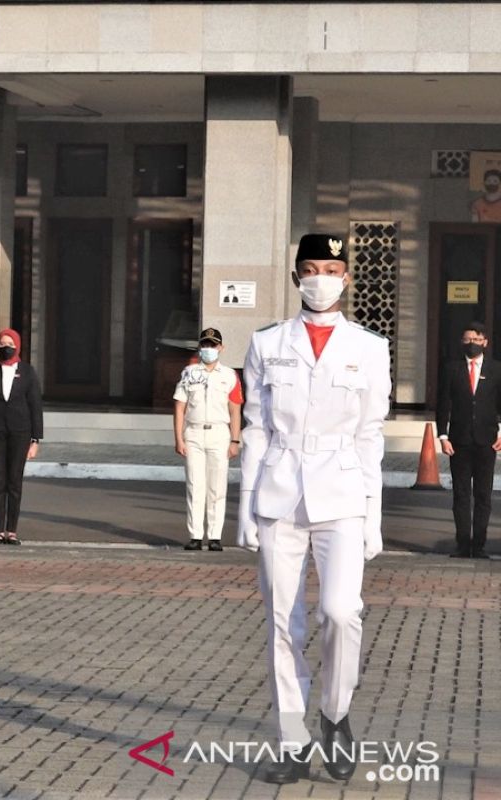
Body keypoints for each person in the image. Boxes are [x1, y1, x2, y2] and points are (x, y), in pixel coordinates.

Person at [238, 233, 391, 785]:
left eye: (331, 268)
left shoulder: (370, 347)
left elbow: (371, 434)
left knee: (340, 611)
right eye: (311, 268)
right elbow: (255, 428)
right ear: (296, 275)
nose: (320, 278)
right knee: (282, 623)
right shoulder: (267, 342)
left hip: (344, 495)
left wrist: (374, 517)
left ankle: (335, 713)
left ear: (346, 277)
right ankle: (294, 740)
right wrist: (245, 511)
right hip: (279, 494)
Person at [173, 327, 243, 551]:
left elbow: (235, 410)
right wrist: (179, 438)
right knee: (195, 484)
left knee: (217, 486)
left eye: (212, 345)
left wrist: (235, 440)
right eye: (204, 345)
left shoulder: (229, 375)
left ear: (221, 348)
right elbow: (179, 407)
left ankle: (214, 536)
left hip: (219, 433)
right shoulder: (189, 372)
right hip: (193, 432)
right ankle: (195, 535)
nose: (208, 349)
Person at [436, 321, 501, 559]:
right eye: (467, 340)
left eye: (475, 340)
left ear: (485, 342)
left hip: (487, 441)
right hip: (459, 441)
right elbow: (443, 404)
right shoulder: (452, 369)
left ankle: (480, 546)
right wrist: (442, 435)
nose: (471, 344)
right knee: (461, 495)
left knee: (483, 495)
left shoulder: (496, 370)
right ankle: (463, 545)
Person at [0, 328, 44, 545]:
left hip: (20, 433)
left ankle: (11, 530)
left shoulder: (28, 372)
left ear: (17, 346)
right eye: (2, 343)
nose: (5, 347)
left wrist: (35, 440)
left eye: (9, 343)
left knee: (14, 482)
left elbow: (35, 407)